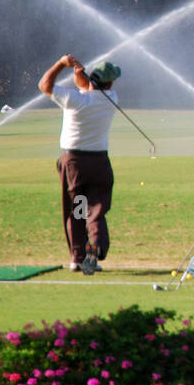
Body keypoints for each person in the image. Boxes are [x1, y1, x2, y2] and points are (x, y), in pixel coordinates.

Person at [37, 55, 122, 274]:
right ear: (110, 83)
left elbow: (44, 85)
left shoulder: (73, 99)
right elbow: (90, 89)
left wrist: (61, 64)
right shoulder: (111, 98)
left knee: (78, 210)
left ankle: (78, 257)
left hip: (75, 165)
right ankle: (95, 247)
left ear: (91, 79)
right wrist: (80, 77)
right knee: (95, 212)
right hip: (99, 164)